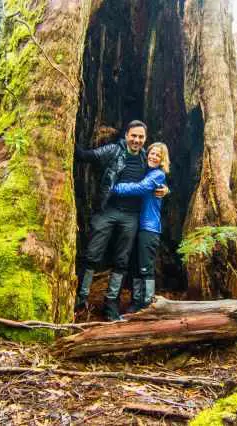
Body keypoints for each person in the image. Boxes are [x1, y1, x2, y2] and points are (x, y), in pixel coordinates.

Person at [74, 121, 168, 321]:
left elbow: (160, 177)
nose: (136, 140)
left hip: (132, 216)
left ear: (145, 139)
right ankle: (81, 299)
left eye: (141, 137)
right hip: (108, 210)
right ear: (126, 135)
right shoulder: (114, 150)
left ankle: (111, 304)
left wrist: (167, 189)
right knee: (92, 254)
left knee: (122, 261)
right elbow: (88, 156)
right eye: (133, 136)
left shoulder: (146, 158)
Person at [111, 142, 170, 313]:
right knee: (136, 265)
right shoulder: (147, 172)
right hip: (137, 224)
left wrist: (115, 188)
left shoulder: (157, 174)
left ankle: (147, 304)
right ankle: (136, 301)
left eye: (157, 155)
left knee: (146, 266)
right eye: (151, 153)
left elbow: (142, 188)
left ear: (162, 159)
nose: (153, 157)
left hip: (149, 227)